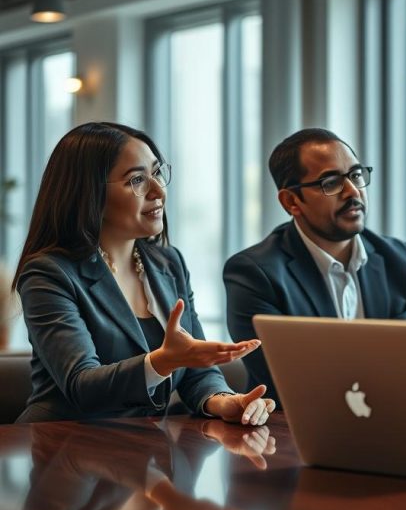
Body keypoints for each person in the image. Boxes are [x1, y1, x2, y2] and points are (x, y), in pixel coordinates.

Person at [14, 122, 274, 425]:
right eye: (137, 179)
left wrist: (224, 401)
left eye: (157, 172)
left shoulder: (168, 263)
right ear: (89, 193)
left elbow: (196, 371)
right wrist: (164, 360)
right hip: (61, 449)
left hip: (140, 449)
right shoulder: (48, 274)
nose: (157, 190)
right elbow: (82, 385)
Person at [224, 128, 406, 402]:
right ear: (292, 201)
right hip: (289, 436)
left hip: (399, 423)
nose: (352, 191)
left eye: (355, 175)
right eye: (330, 182)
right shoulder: (255, 273)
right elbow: (287, 382)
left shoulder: (399, 260)